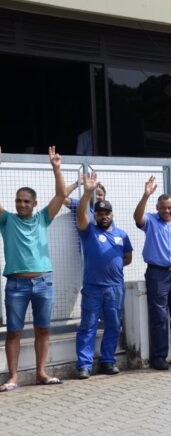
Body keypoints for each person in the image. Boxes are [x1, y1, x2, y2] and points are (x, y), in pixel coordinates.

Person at [0, 146, 67, 392]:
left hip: (43, 282)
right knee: (14, 332)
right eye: (18, 200)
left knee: (43, 329)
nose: (21, 204)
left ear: (34, 203)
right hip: (16, 285)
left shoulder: (42, 218)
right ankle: (13, 377)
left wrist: (56, 169)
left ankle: (41, 373)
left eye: (26, 201)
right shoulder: (6, 220)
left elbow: (60, 196)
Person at [74, 173, 133, 379]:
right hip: (92, 288)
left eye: (107, 213)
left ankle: (108, 362)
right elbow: (81, 214)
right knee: (88, 326)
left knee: (113, 325)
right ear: (95, 215)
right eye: (100, 213)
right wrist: (88, 192)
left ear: (112, 214)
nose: (104, 216)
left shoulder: (122, 235)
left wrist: (112, 267)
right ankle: (84, 365)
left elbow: (127, 257)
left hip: (115, 289)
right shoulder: (87, 230)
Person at [134, 175, 171, 371]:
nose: (167, 211)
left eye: (170, 207)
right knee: (159, 317)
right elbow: (137, 217)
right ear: (157, 208)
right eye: (163, 208)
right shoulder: (151, 221)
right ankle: (159, 357)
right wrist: (145, 195)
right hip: (157, 275)